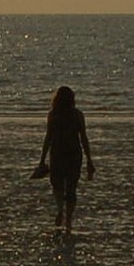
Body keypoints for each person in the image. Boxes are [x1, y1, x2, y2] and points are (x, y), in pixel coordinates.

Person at [36, 86, 94, 231]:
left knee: (57, 185)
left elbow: (48, 138)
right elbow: (84, 139)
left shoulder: (53, 115)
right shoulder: (78, 115)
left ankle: (60, 208)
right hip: (74, 153)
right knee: (71, 188)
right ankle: (68, 220)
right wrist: (89, 160)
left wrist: (42, 160)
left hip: (57, 153)